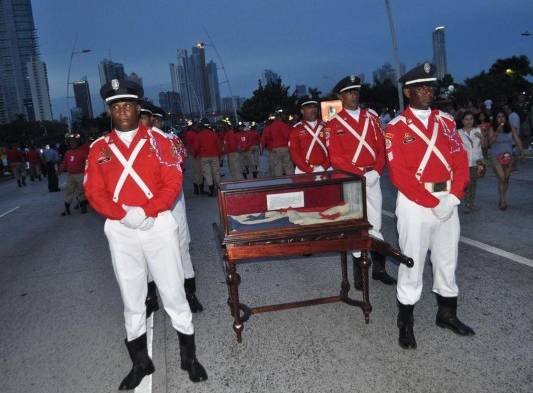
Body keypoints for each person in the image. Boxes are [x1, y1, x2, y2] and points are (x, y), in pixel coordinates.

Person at [84, 79, 207, 389]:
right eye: (115, 106)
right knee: (132, 296)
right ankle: (140, 362)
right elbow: (94, 191)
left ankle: (188, 357)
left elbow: (172, 181)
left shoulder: (159, 141)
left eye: (127, 104)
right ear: (110, 111)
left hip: (158, 225)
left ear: (138, 108)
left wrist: (148, 210)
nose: (122, 110)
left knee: (173, 292)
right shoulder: (99, 148)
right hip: (121, 229)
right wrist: (124, 214)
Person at [385, 63, 475, 350]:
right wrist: (433, 202)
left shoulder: (447, 122)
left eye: (430, 87)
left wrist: (454, 198)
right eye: (421, 87)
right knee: (412, 262)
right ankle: (405, 323)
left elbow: (461, 161)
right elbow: (399, 174)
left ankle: (447, 315)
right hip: (416, 204)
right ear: (408, 91)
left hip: (448, 201)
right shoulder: (396, 128)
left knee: (448, 260)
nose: (428, 91)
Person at [325, 75, 395, 290]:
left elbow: (381, 148)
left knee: (375, 222)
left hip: (372, 177)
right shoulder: (333, 123)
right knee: (355, 223)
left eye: (356, 91)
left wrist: (376, 170)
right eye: (349, 92)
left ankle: (379, 269)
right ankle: (359, 272)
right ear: (340, 96)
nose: (354, 95)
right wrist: (358, 173)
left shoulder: (372, 118)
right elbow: (335, 157)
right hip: (351, 180)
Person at [151, 106, 204, 313]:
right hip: (148, 201)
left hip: (172, 198)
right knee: (149, 249)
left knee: (181, 244)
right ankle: (151, 295)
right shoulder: (135, 143)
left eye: (155, 119)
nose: (153, 123)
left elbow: (180, 161)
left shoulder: (170, 139)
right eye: (147, 118)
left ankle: (189, 293)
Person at [487, 109, 524, 210]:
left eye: (502, 116)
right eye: (498, 117)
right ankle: (503, 200)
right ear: (495, 119)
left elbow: (517, 139)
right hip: (496, 156)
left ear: (506, 118)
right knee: (502, 177)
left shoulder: (511, 128)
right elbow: (489, 143)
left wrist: (521, 151)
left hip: (508, 156)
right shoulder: (492, 128)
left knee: (506, 179)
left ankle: (503, 197)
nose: (501, 118)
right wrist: (497, 132)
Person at [289, 96, 330, 174]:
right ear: (302, 111)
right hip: (304, 171)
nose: (313, 110)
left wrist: (323, 167)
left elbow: (332, 149)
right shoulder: (296, 129)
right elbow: (294, 154)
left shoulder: (326, 126)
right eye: (309, 107)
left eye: (315, 107)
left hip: (326, 169)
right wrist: (309, 170)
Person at [458, 111, 485, 213]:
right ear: (462, 121)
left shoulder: (478, 130)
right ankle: (467, 203)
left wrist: (481, 137)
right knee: (466, 184)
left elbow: (485, 145)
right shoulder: (458, 132)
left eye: (471, 119)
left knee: (473, 183)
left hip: (477, 162)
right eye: (466, 119)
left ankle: (471, 204)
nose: (469, 121)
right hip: (464, 163)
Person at [59, 133, 89, 215]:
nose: (72, 144)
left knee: (81, 191)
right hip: (70, 175)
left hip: (80, 175)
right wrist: (60, 169)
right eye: (71, 143)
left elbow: (88, 162)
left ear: (77, 143)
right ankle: (66, 209)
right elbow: (64, 163)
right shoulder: (67, 153)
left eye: (74, 142)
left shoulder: (82, 152)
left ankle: (83, 207)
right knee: (69, 191)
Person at [261, 110, 293, 176]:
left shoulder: (270, 127)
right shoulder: (283, 125)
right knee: (288, 166)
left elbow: (268, 137)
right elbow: (287, 136)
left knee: (277, 167)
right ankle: (290, 180)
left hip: (275, 148)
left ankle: (280, 181)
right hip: (284, 147)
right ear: (280, 117)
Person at [194, 119, 221, 197]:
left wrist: (195, 154)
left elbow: (196, 147)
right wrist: (220, 155)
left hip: (204, 157)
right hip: (214, 155)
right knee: (216, 172)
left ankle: (211, 191)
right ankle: (219, 189)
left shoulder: (198, 135)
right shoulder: (214, 134)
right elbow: (218, 145)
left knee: (207, 174)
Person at [184, 121, 204, 195]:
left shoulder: (190, 133)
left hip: (194, 154)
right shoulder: (193, 134)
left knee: (196, 172)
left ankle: (197, 189)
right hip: (196, 154)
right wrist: (194, 153)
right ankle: (199, 189)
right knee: (199, 172)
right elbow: (195, 145)